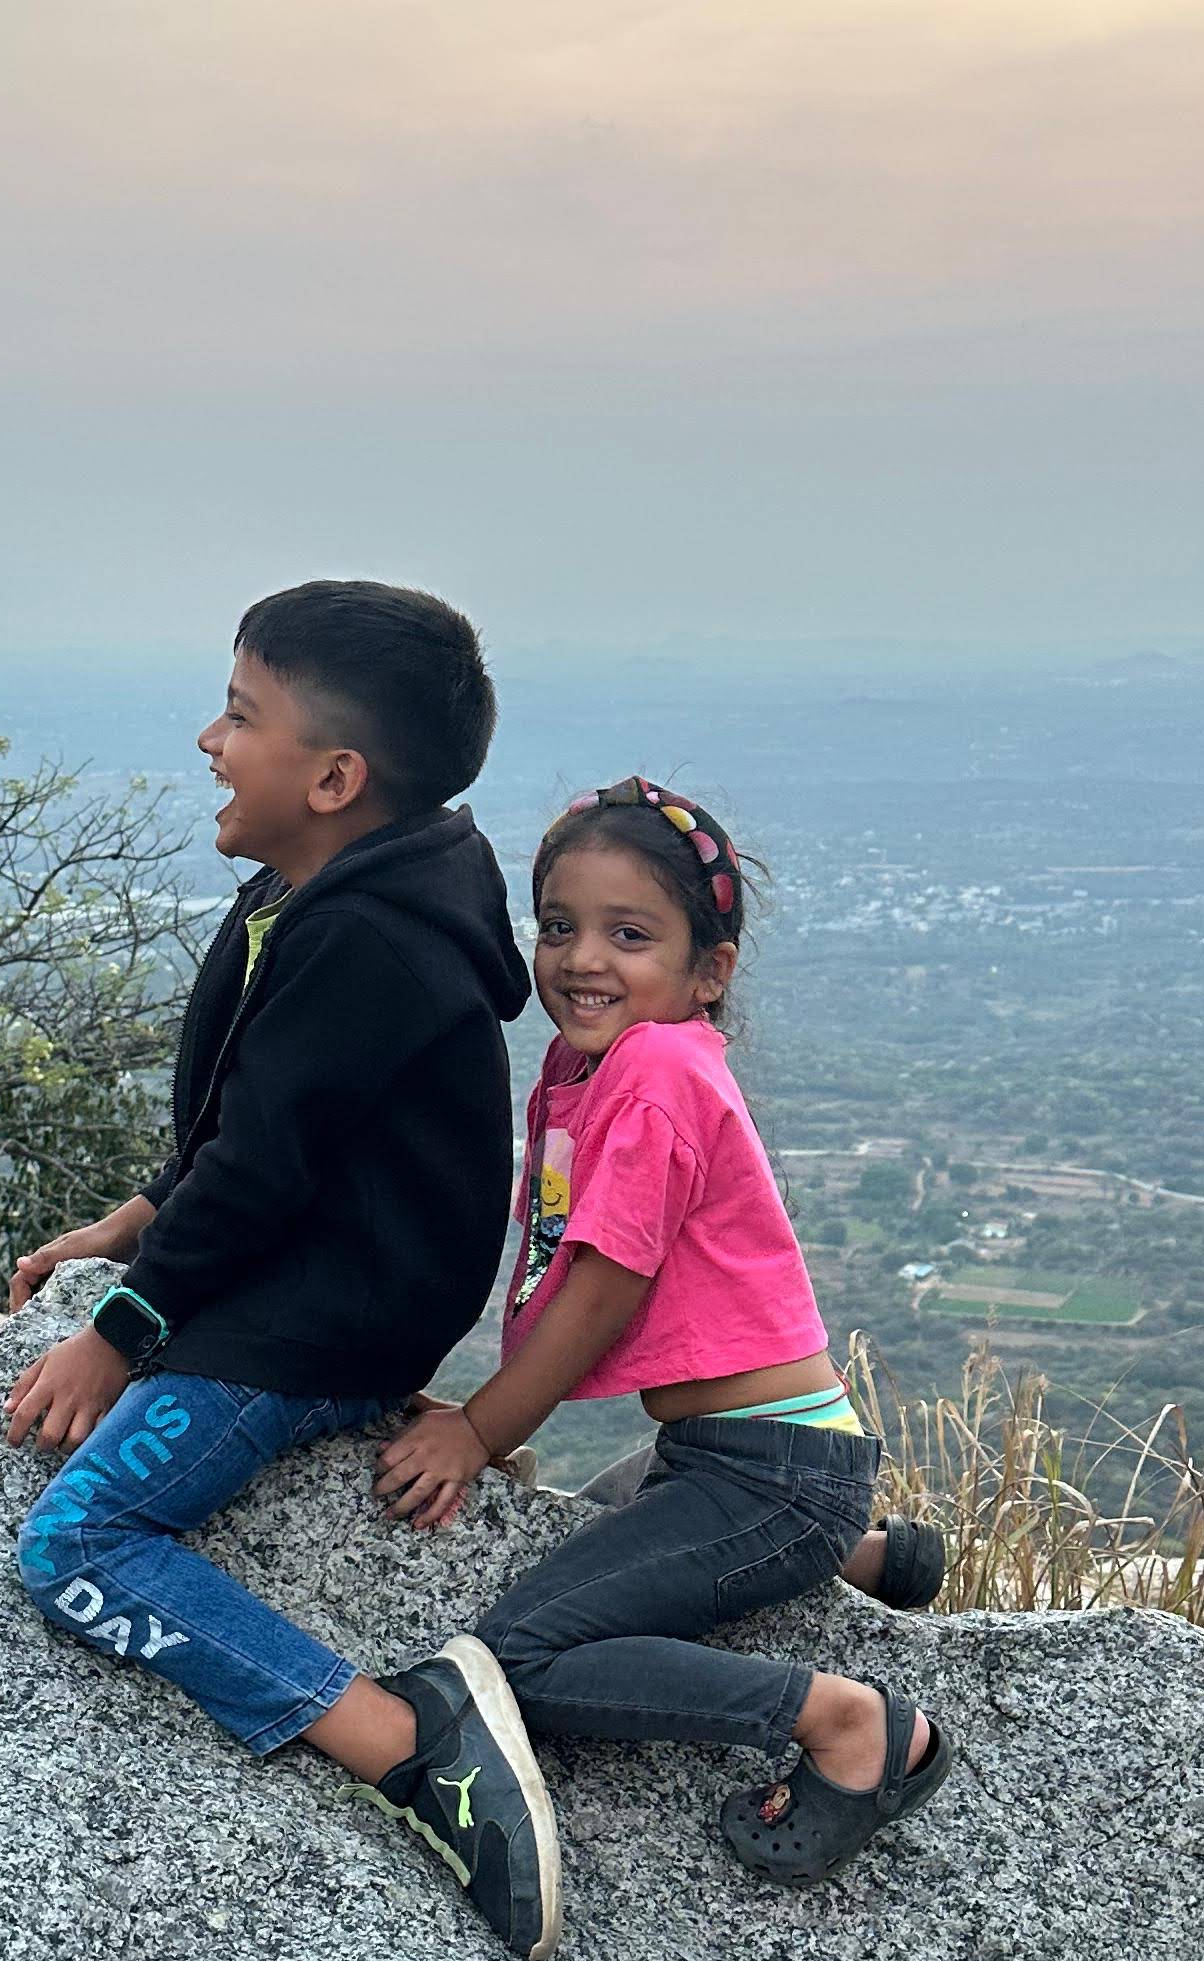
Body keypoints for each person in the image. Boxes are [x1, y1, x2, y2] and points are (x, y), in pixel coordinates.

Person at [1, 582, 565, 1961]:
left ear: (333, 777)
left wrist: (120, 1332)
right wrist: (128, 1224)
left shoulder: (367, 938)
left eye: (240, 715)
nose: (208, 738)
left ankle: (408, 1740)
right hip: (305, 1274)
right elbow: (259, 1130)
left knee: (77, 1543)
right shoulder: (318, 891)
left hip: (319, 1319)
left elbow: (261, 1176)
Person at [376, 775, 955, 1901]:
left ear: (709, 972)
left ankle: (850, 1721)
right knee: (601, 1539)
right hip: (741, 1455)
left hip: (769, 1471)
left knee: (521, 1658)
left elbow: (602, 1290)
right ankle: (857, 1553)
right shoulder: (608, 1063)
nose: (582, 958)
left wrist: (480, 1435)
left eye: (629, 935)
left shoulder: (649, 1074)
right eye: (558, 927)